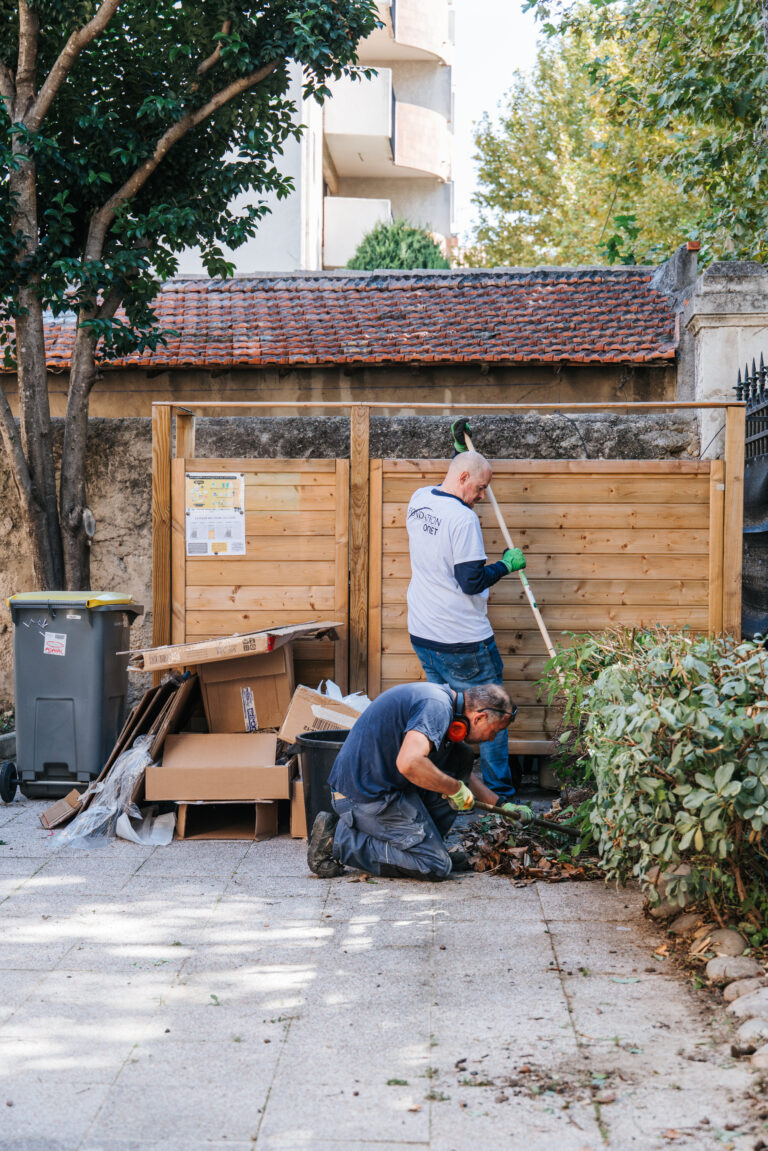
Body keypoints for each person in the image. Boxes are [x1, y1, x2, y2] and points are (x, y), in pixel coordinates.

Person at [306, 680, 530, 881]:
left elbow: (458, 775)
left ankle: (427, 844)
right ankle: (338, 838)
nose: (491, 739)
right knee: (435, 866)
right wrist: (454, 788)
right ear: (479, 717)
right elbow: (409, 763)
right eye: (494, 732)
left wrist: (501, 805)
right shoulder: (436, 707)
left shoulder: (443, 703)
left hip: (388, 788)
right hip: (362, 796)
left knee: (461, 755)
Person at [405, 438, 526, 802]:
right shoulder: (463, 519)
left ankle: (444, 789)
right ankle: (498, 796)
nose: (483, 496)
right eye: (481, 487)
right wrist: (506, 565)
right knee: (492, 715)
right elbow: (471, 582)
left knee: (444, 716)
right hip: (463, 642)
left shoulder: (419, 498)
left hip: (424, 633)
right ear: (462, 478)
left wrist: (461, 451)